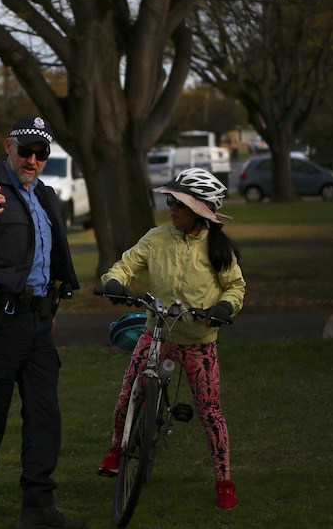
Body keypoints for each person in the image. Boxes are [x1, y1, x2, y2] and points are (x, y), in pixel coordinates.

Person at [0, 114, 84, 529]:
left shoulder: (46, 196)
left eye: (40, 153)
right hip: (1, 323)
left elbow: (52, 260)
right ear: (7, 146)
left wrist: (52, 306)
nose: (31, 159)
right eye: (24, 150)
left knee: (45, 414)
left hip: (39, 323)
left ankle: (38, 507)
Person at [96, 167, 246, 510]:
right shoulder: (157, 237)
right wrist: (115, 282)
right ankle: (117, 450)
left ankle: (224, 479)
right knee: (127, 394)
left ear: (200, 209)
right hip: (158, 332)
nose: (170, 206)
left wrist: (225, 307)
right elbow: (126, 264)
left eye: (177, 202)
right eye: (170, 199)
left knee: (210, 411)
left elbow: (235, 286)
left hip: (199, 341)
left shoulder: (217, 247)